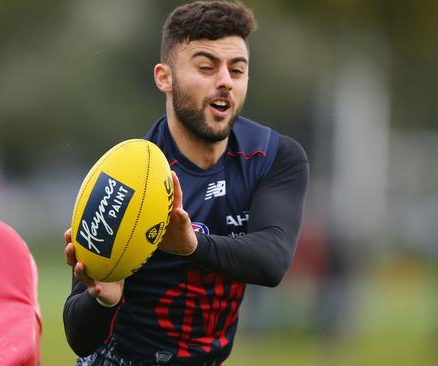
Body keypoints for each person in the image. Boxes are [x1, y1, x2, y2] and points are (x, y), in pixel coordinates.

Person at [63, 1, 309, 365]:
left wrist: (191, 246)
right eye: (206, 67)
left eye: (237, 70)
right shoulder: (129, 179)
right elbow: (78, 338)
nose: (225, 80)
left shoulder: (273, 157)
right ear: (164, 77)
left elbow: (272, 261)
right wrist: (103, 298)